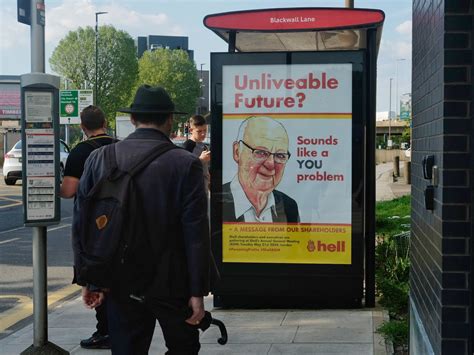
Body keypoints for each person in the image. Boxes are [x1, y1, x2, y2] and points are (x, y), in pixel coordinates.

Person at [72, 85, 211, 354]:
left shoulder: (99, 158)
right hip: (173, 281)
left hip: (119, 279)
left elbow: (82, 224)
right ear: (170, 120)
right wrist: (198, 291)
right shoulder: (185, 164)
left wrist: (91, 280)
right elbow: (196, 234)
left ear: (133, 119)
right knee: (184, 348)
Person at [60, 105, 116, 349]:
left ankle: (104, 331)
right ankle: (117, 327)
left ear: (83, 127)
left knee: (96, 273)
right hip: (122, 218)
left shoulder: (80, 151)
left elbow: (69, 191)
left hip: (92, 224)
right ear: (104, 122)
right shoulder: (119, 146)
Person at [223, 116, 300, 223]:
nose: (271, 164)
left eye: (280, 155)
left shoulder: (289, 207)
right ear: (237, 152)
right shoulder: (217, 201)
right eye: (260, 152)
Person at [183, 114, 211, 191]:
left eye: (205, 130)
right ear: (191, 130)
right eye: (199, 131)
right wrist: (201, 160)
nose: (203, 134)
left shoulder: (204, 146)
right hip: (193, 190)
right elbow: (183, 168)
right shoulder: (188, 145)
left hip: (203, 189)